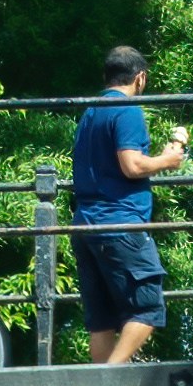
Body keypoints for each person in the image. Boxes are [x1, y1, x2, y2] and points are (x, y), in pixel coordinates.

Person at [71, 50, 170, 367]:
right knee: (147, 308)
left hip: (85, 225)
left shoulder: (91, 112)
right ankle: (110, 378)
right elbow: (131, 165)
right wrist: (167, 159)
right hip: (121, 224)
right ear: (140, 77)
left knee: (101, 321)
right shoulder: (127, 110)